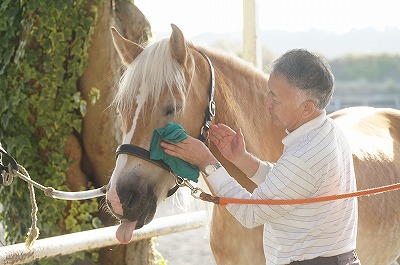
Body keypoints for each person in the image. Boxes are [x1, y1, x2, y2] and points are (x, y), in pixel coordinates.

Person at [161, 49, 360, 265]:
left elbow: (251, 213)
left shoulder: (304, 155)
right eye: (269, 93)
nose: (268, 103)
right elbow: (288, 183)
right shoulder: (326, 130)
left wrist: (207, 163)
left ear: (306, 108)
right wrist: (242, 159)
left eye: (276, 98)